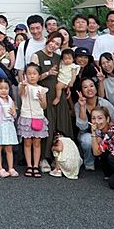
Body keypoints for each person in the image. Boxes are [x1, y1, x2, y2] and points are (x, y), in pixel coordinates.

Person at [33, 32, 73, 171]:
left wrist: (67, 86)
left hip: (58, 95)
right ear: (48, 40)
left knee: (61, 124)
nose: (53, 45)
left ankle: (62, 157)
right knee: (46, 126)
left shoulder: (58, 57)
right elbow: (32, 78)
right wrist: (47, 73)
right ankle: (44, 158)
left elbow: (65, 74)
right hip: (44, 95)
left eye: (57, 44)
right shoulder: (37, 55)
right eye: (52, 41)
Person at [74, 77, 114, 171]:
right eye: (85, 87)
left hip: (104, 134)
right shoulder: (78, 105)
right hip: (88, 134)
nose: (89, 89)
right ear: (81, 91)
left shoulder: (104, 103)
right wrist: (82, 107)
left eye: (91, 86)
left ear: (95, 87)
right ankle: (89, 162)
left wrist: (107, 128)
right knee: (86, 140)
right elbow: (82, 127)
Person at [17, 63, 48, 177]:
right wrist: (23, 85)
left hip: (38, 117)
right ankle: (29, 165)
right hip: (26, 117)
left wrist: (41, 99)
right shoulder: (24, 85)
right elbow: (21, 94)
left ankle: (35, 166)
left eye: (34, 73)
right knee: (27, 142)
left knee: (36, 142)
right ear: (25, 75)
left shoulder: (42, 89)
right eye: (29, 73)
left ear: (39, 76)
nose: (32, 76)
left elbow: (44, 106)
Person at [89, 105, 114, 178]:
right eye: (93, 118)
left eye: (100, 118)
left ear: (107, 119)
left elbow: (96, 153)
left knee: (102, 150)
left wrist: (93, 133)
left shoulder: (112, 132)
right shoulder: (101, 129)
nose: (96, 122)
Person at [0, 77, 18, 177]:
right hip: (0, 124)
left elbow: (14, 115)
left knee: (9, 148)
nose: (4, 90)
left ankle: (11, 168)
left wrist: (14, 113)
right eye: (1, 88)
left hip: (9, 125)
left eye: (6, 88)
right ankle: (0, 168)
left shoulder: (10, 99)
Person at [15, 15, 46, 80]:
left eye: (38, 28)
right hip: (30, 85)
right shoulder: (23, 45)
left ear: (43, 27)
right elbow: (20, 69)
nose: (35, 31)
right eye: (32, 28)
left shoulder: (50, 44)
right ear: (28, 29)